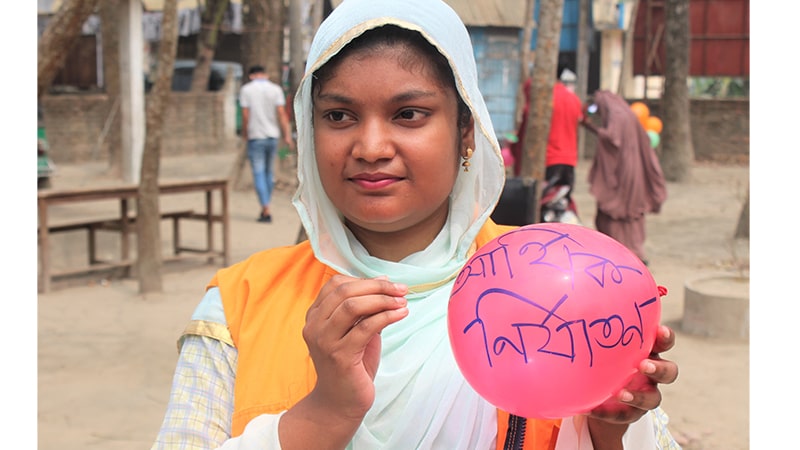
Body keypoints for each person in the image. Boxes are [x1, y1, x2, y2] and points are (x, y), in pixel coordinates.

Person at [151, 1, 681, 448]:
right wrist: (323, 417)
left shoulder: (562, 288)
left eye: (409, 114)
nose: (371, 148)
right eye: (339, 116)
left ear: (466, 129)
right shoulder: (240, 303)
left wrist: (608, 431)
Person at [581, 90, 668, 265]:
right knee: (628, 214)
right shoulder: (625, 113)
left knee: (618, 211)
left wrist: (590, 126)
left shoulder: (618, 115)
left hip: (623, 172)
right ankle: (630, 251)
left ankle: (626, 253)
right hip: (631, 168)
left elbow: (613, 139)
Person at [239, 64, 295, 223]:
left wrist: (245, 134)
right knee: (269, 173)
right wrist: (287, 136)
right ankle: (267, 204)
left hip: (255, 136)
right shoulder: (275, 89)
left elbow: (245, 115)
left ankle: (265, 208)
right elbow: (282, 114)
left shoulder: (247, 90)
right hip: (272, 136)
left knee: (258, 173)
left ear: (251, 75)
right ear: (266, 74)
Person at [544, 65, 585, 204]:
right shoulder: (574, 99)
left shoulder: (545, 98)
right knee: (563, 204)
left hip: (550, 159)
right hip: (569, 160)